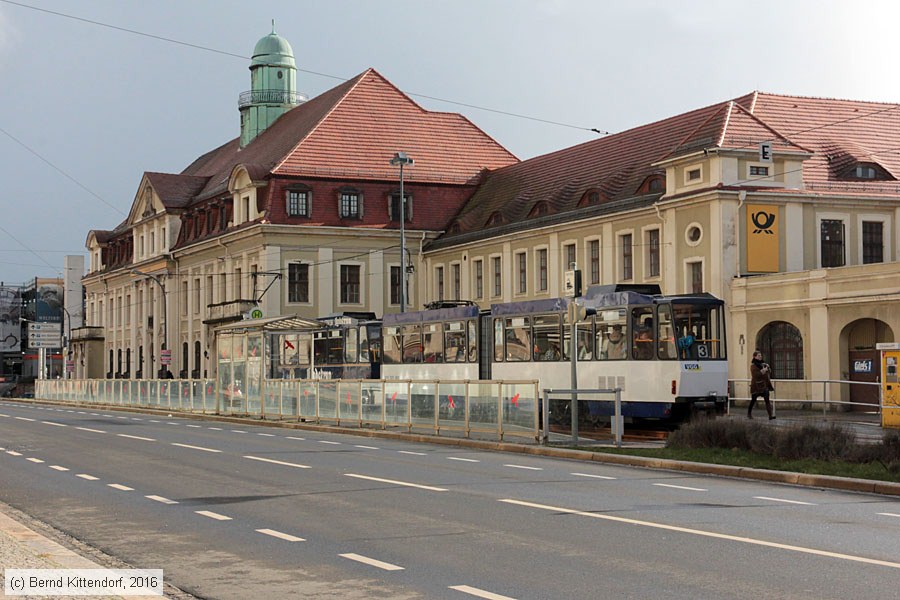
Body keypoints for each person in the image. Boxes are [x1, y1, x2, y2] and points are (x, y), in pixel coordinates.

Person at [749, 350, 775, 420]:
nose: (760, 357)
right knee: (753, 400)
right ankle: (749, 413)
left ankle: (770, 415)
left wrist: (768, 368)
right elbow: (756, 375)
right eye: (758, 355)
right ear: (755, 357)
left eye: (761, 355)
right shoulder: (753, 366)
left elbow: (769, 372)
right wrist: (764, 370)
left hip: (764, 385)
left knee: (767, 400)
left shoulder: (763, 364)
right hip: (756, 386)